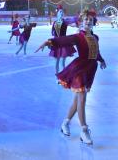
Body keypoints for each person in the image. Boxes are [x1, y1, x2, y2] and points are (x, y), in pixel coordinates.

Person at [35, 9, 106, 145]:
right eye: (85, 19)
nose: (88, 22)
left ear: (93, 23)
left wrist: (101, 60)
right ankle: (84, 130)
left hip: (90, 69)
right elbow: (63, 40)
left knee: (77, 100)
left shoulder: (96, 37)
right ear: (80, 23)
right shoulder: (78, 37)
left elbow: (96, 51)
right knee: (82, 98)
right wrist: (49, 42)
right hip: (79, 69)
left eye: (90, 20)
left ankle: (65, 123)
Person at [49, 5, 76, 76]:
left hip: (64, 43)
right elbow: (52, 32)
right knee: (56, 62)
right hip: (56, 43)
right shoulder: (54, 23)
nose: (61, 13)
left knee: (62, 62)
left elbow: (73, 21)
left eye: (62, 12)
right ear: (57, 13)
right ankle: (57, 75)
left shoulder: (65, 21)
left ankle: (64, 76)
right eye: (60, 12)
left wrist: (78, 21)